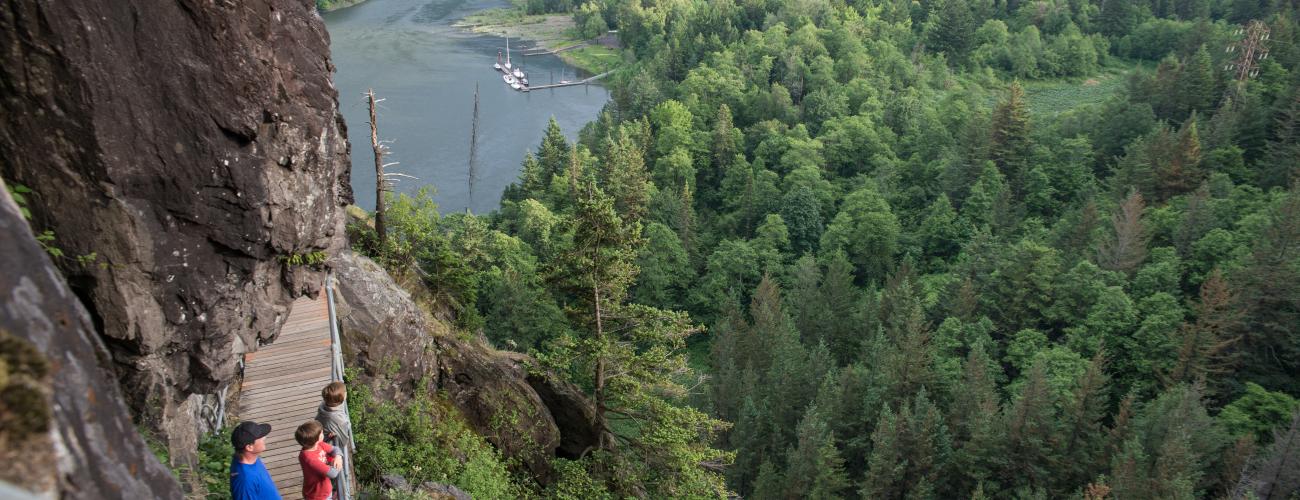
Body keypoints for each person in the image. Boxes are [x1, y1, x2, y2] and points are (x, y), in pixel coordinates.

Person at [316, 381, 354, 500]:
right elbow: (343, 440)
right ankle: (336, 492)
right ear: (342, 399)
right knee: (334, 472)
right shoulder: (339, 419)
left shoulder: (323, 406)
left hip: (321, 439)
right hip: (327, 447)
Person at [230, 420, 282, 500]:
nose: (264, 437)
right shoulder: (245, 481)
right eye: (260, 437)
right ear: (249, 447)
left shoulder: (251, 458)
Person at [296, 420, 342, 500]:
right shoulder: (310, 459)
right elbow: (333, 473)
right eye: (321, 433)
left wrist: (338, 457)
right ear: (317, 439)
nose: (323, 433)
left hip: (324, 489)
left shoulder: (318, 445)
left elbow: (335, 449)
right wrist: (338, 463)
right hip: (318, 495)